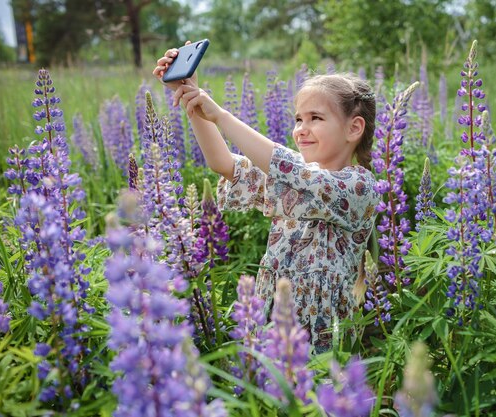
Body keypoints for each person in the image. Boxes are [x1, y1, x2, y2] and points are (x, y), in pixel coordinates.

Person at [153, 46, 380, 353]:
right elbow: (225, 164)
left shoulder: (358, 186)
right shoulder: (291, 181)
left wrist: (221, 115)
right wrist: (192, 100)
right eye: (298, 119)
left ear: (354, 128)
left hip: (324, 337)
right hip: (273, 320)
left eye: (315, 118)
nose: (301, 129)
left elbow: (291, 169)